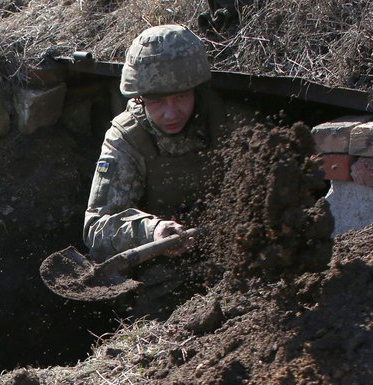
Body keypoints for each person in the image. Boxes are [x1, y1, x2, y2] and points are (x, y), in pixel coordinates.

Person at [83, 24, 250, 263]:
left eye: (181, 97)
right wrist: (152, 231)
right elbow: (97, 226)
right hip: (160, 264)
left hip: (231, 251)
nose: (171, 114)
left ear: (196, 90)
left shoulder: (228, 122)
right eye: (158, 101)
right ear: (140, 99)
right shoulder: (127, 138)